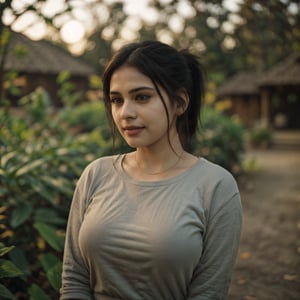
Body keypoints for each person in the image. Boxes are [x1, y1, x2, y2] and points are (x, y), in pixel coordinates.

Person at [60, 41, 242, 300]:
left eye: (142, 97)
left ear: (179, 102)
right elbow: (74, 280)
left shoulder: (216, 186)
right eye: (116, 100)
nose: (125, 113)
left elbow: (209, 293)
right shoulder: (96, 174)